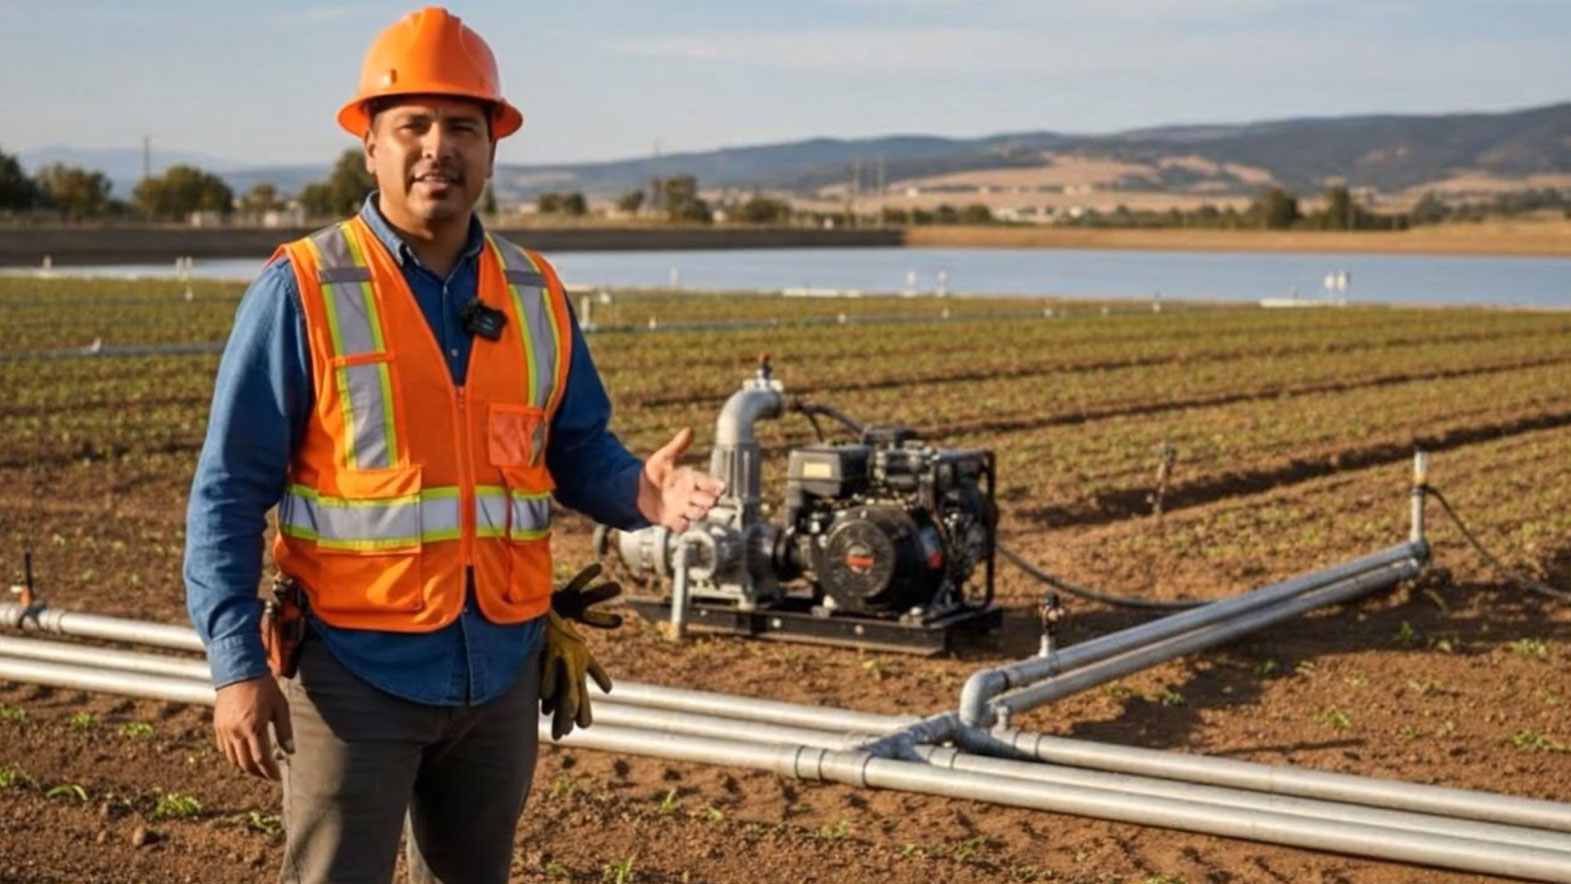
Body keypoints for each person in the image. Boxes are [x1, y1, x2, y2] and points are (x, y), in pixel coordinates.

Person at [182, 7, 724, 882]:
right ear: (370, 145)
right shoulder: (303, 288)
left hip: (499, 668)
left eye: (463, 127)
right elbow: (227, 492)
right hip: (353, 672)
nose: (438, 147)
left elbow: (574, 447)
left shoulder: (533, 289)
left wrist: (639, 492)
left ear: (492, 148)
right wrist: (236, 666)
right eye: (414, 125)